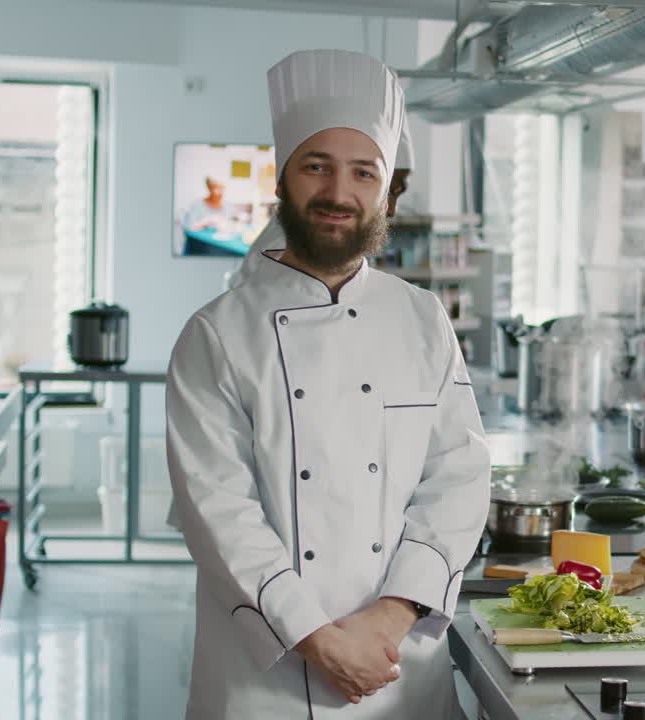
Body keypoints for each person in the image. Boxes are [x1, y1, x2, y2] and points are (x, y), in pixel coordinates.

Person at [166, 48, 489, 720]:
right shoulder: (217, 334)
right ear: (282, 180)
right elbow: (217, 512)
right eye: (317, 167)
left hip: (397, 667)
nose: (339, 194)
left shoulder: (422, 318)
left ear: (386, 192)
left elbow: (459, 475)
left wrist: (390, 617)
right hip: (268, 679)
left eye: (362, 172)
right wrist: (321, 641)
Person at [225, 122, 415, 290]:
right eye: (317, 168)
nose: (391, 208)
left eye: (364, 174)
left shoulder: (417, 309)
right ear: (281, 184)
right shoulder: (299, 244)